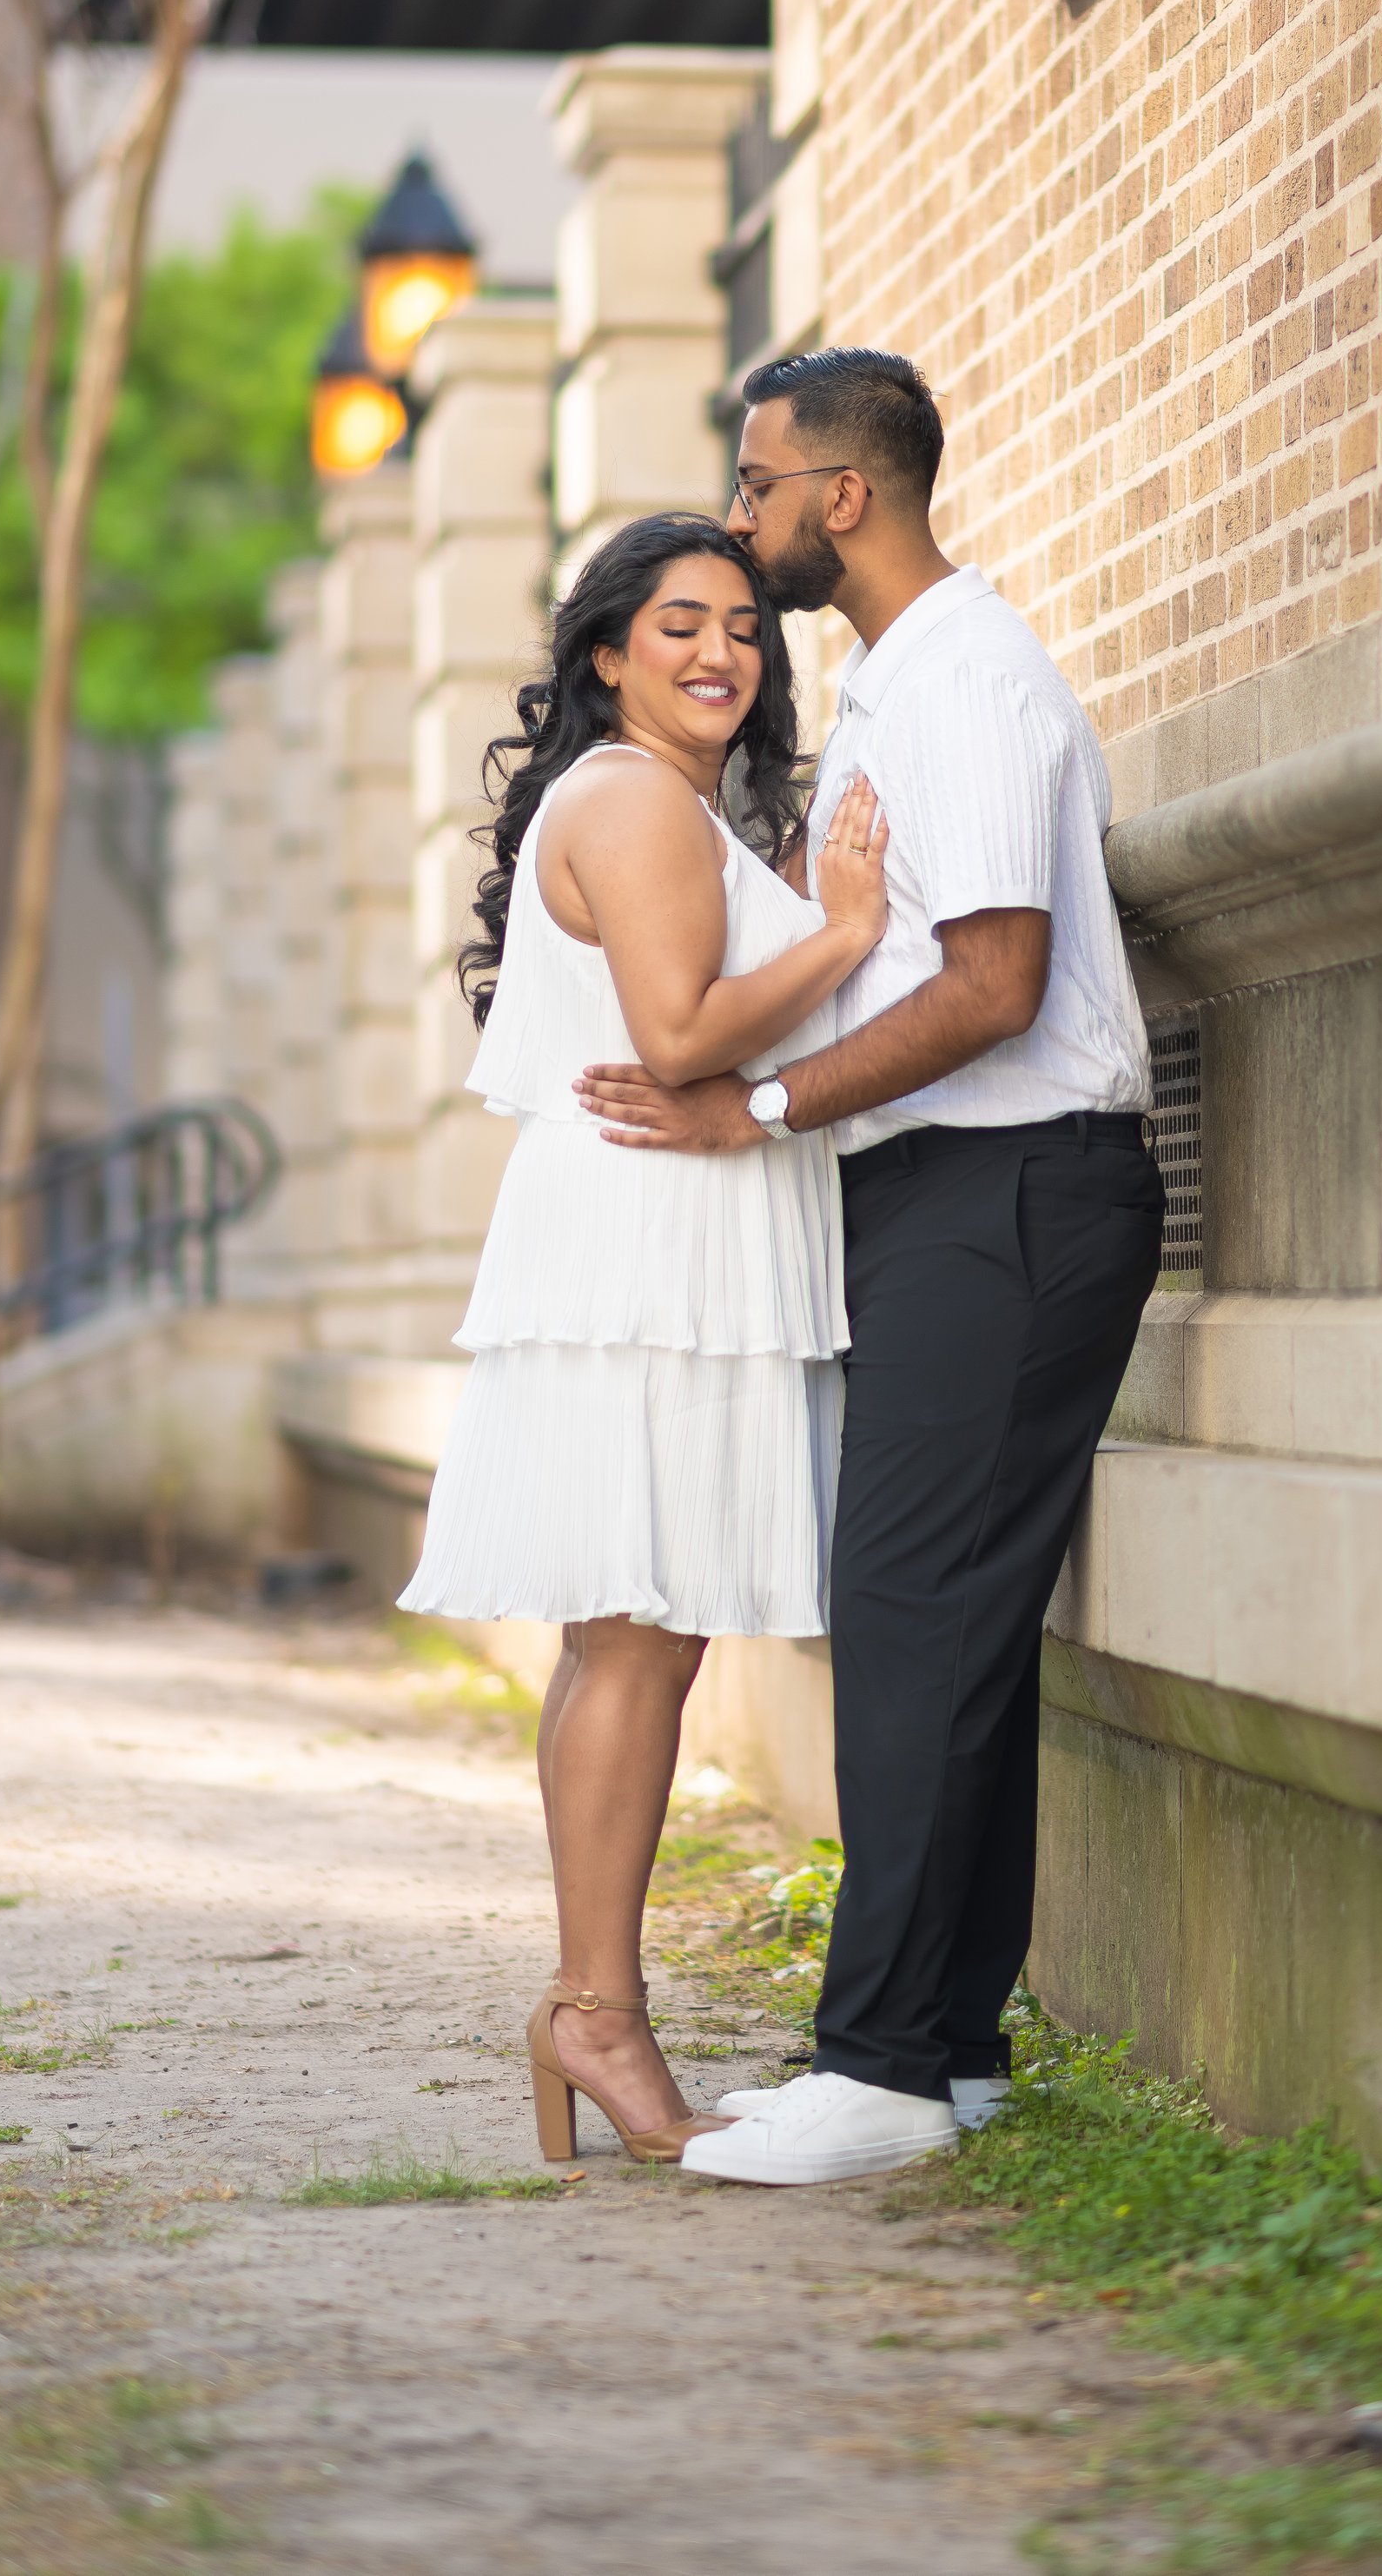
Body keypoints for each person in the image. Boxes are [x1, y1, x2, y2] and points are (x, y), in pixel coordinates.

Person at [576, 351, 1164, 2186]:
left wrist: (758, 1106)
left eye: (756, 491)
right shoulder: (901, 681)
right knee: (950, 1626)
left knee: (907, 1622)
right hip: (955, 1201)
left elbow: (991, 987)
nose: (740, 526)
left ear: (841, 497)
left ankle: (882, 2067)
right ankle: (951, 2048)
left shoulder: (964, 681)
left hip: (1006, 1193)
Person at [400, 513, 889, 2167]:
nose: (721, 654)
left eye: (746, 629)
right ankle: (599, 2015)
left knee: (623, 1637)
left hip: (645, 1227)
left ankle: (581, 2006)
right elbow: (680, 1032)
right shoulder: (628, 798)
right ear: (607, 650)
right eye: (680, 623)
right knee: (640, 1644)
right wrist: (843, 933)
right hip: (648, 1240)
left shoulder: (645, 799)